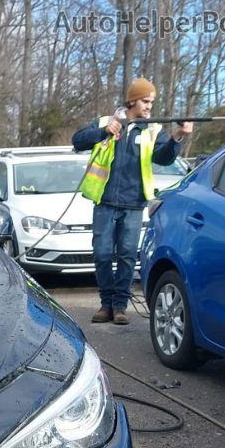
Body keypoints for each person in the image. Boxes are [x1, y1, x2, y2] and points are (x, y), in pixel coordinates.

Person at [72, 78, 192, 324]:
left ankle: (120, 307)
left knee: (127, 255)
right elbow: (78, 140)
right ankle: (105, 304)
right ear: (132, 101)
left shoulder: (153, 129)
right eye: (146, 101)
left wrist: (177, 137)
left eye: (152, 102)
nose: (149, 106)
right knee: (103, 254)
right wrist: (103, 132)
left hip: (134, 204)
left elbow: (165, 158)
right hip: (104, 202)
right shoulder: (106, 122)